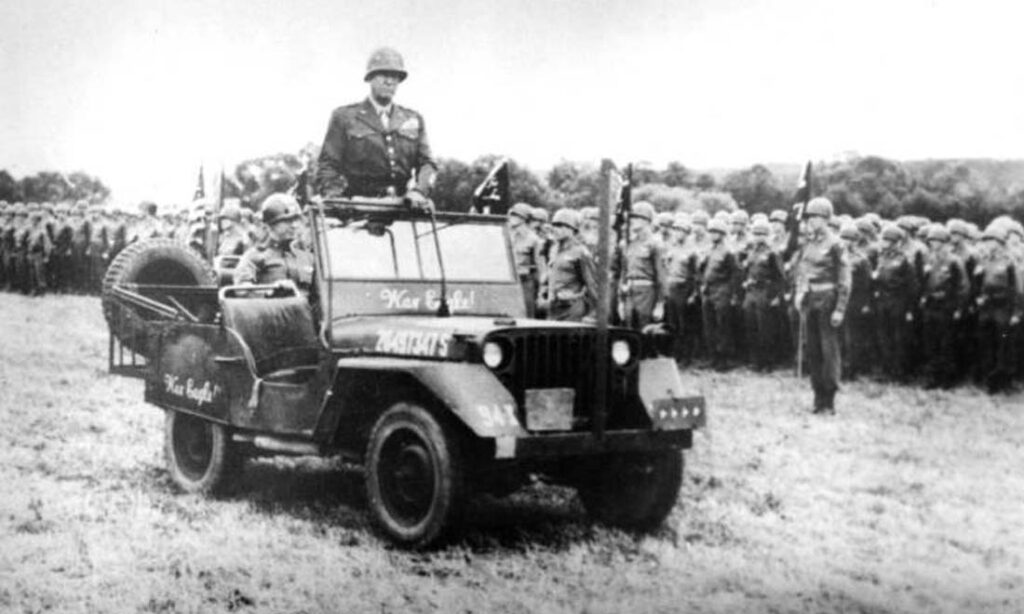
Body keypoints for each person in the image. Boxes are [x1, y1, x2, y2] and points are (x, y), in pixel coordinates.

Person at [315, 47, 435, 209]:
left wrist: (419, 191)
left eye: (395, 77)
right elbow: (328, 166)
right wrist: (337, 201)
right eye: (383, 75)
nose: (389, 81)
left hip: (403, 209)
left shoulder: (413, 119)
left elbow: (428, 164)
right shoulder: (344, 117)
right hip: (359, 209)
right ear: (370, 78)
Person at [791, 197, 850, 414]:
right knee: (813, 350)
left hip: (828, 300)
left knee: (829, 351)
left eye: (816, 216)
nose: (811, 221)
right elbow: (802, 270)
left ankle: (829, 398)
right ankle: (817, 397)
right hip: (810, 301)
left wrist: (840, 308)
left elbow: (845, 278)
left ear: (826, 218)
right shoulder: (809, 242)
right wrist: (800, 292)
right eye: (810, 217)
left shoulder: (836, 244)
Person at [920, 224, 969, 388]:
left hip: (946, 306)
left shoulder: (954, 260)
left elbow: (963, 286)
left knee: (946, 343)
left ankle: (947, 378)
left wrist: (959, 308)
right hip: (931, 305)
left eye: (936, 240)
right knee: (931, 343)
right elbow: (924, 281)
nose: (932, 243)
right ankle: (933, 377)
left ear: (944, 242)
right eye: (931, 240)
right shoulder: (930, 259)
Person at [234, 194, 314, 293]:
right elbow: (242, 290)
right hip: (270, 307)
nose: (294, 225)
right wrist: (271, 291)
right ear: (270, 225)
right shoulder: (255, 256)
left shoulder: (308, 258)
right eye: (287, 221)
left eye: (296, 220)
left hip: (305, 308)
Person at [741, 218, 785, 371]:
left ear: (767, 235)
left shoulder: (773, 252)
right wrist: (746, 282)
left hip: (765, 292)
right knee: (751, 326)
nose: (758, 236)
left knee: (765, 329)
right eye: (756, 233)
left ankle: (768, 362)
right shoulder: (751, 251)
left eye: (762, 234)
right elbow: (747, 269)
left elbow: (780, 277)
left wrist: (776, 296)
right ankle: (755, 361)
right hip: (751, 291)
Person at [539, 208, 597, 321]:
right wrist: (542, 295)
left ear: (573, 229)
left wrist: (594, 314)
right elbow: (549, 275)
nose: (556, 229)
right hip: (553, 307)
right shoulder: (553, 249)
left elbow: (592, 285)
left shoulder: (580, 252)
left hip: (572, 308)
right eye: (555, 225)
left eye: (561, 226)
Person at [617, 201, 667, 329]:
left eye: (636, 217)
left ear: (646, 221)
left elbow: (661, 277)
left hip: (647, 293)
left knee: (645, 331)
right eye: (632, 217)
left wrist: (660, 304)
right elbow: (623, 273)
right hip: (629, 293)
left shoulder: (655, 244)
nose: (632, 220)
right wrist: (621, 301)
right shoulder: (628, 243)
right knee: (628, 330)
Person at [700, 217, 739, 370]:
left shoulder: (728, 252)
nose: (712, 235)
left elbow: (735, 274)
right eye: (711, 232)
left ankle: (723, 359)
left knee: (723, 325)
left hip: (722, 290)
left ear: (722, 234)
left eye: (715, 232)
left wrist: (732, 293)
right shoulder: (709, 249)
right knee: (709, 326)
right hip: (708, 290)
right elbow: (703, 269)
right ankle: (713, 357)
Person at [507, 202, 545, 318]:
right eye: (512, 214)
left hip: (525, 282)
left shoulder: (534, 240)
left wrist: (541, 291)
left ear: (524, 219)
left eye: (516, 215)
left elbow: (541, 267)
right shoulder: (507, 235)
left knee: (526, 314)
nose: (512, 218)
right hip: (508, 282)